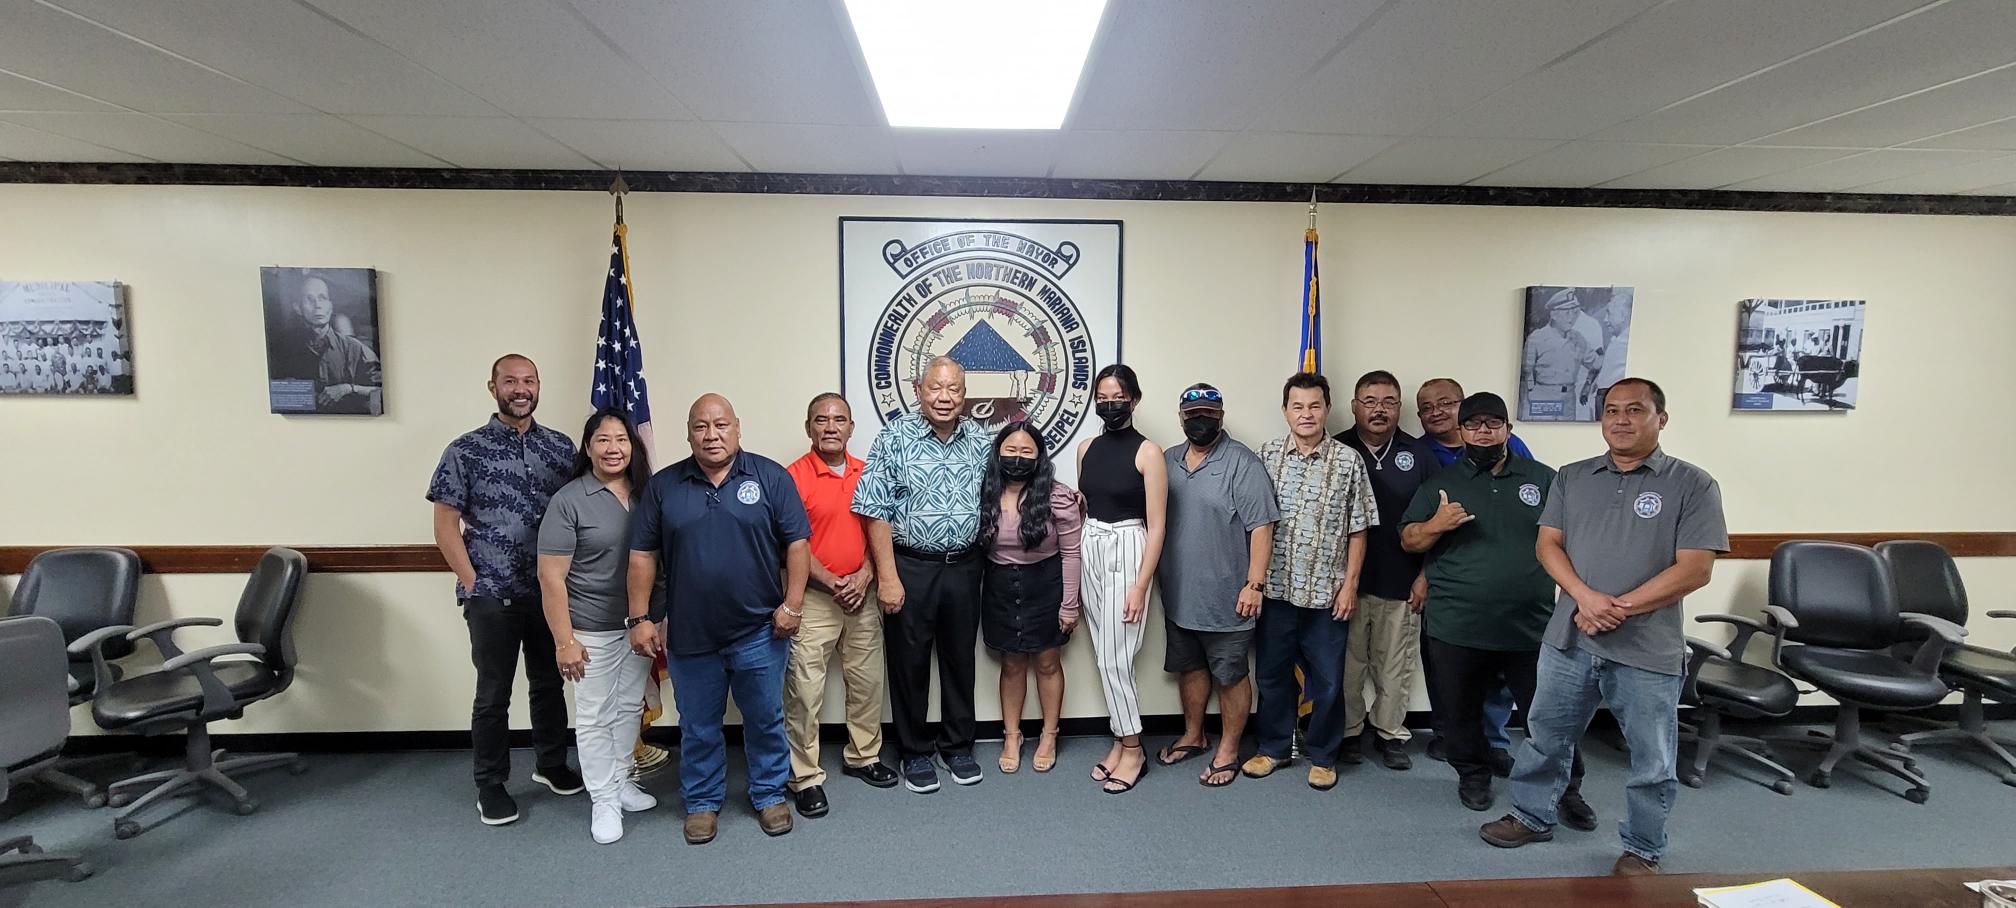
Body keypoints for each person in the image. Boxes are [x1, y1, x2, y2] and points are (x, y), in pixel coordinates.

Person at [1482, 378, 1727, 877]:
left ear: (1661, 418)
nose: (1621, 420)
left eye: (1635, 410)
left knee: (1651, 758)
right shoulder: (1572, 477)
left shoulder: (1693, 484)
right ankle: (1531, 814)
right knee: (1546, 735)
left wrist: (1621, 607)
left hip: (1647, 647)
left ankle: (1643, 847)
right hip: (1569, 636)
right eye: (1612, 410)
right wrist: (1586, 597)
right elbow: (1548, 544)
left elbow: (1696, 568)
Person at [626, 394, 811, 845]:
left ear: (738, 428)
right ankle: (703, 803)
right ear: (689, 433)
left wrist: (791, 606)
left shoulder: (770, 477)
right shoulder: (665, 486)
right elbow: (642, 555)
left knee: (765, 718)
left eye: (721, 425)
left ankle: (769, 794)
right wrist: (639, 617)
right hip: (691, 635)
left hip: (760, 632)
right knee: (698, 726)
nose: (712, 435)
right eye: (701, 426)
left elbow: (798, 545)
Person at [1401, 392, 1590, 823]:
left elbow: (1573, 541)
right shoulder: (1441, 485)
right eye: (1473, 425)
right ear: (1461, 430)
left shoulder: (1545, 480)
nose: (1483, 431)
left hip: (1531, 625)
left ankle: (1566, 789)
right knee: (1459, 710)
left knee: (1549, 713)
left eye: (1493, 423)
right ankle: (1472, 774)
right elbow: (1409, 539)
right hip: (1456, 622)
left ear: (1508, 428)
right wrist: (1436, 525)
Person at [426, 354, 584, 827]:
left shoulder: (560, 447)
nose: (521, 388)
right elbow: (445, 524)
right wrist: (473, 581)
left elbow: (580, 509)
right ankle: (490, 784)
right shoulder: (465, 450)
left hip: (549, 592)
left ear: (539, 387)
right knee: (493, 694)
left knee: (549, 682)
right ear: (492, 387)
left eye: (529, 380)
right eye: (510, 381)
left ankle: (551, 763)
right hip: (492, 594)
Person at [851, 356, 994, 793]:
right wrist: (888, 578)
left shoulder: (981, 440)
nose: (945, 397)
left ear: (964, 395)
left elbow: (1010, 490)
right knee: (909, 664)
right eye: (936, 388)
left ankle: (957, 747)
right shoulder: (894, 438)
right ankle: (914, 752)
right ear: (918, 390)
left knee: (959, 660)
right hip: (910, 566)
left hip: (965, 566)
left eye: (954, 389)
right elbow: (875, 512)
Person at [1242, 372, 1374, 791]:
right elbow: (1253, 522)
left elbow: (1358, 529)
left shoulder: (1348, 460)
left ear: (1327, 409)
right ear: (1285, 411)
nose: (1306, 414)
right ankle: (1274, 748)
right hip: (1277, 590)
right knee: (1271, 675)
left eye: (1314, 405)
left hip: (1327, 593)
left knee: (1331, 680)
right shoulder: (1265, 456)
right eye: (1297, 406)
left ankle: (1323, 755)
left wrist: (1351, 585)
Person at [535, 408, 660, 844]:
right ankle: (603, 799)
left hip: (639, 626)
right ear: (588, 448)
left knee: (629, 708)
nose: (613, 448)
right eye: (603, 440)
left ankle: (623, 781)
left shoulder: (649, 494)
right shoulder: (568, 500)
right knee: (593, 716)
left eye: (621, 440)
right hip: (589, 629)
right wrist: (564, 641)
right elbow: (551, 577)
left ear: (633, 446)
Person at [1155, 383, 1279, 787]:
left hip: (1230, 597)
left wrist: (1254, 584)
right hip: (1178, 595)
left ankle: (1228, 749)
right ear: (1181, 418)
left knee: (1230, 674)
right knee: (1189, 669)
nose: (1201, 422)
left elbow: (1262, 526)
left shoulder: (1243, 462)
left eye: (1209, 414)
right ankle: (1194, 735)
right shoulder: (1168, 460)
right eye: (1193, 416)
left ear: (1222, 416)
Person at [782, 393, 898, 820]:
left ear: (851, 428)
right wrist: (832, 581)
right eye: (821, 420)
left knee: (867, 682)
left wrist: (867, 574)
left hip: (862, 595)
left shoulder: (868, 474)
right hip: (814, 598)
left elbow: (879, 532)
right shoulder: (792, 477)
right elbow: (790, 543)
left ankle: (863, 755)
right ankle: (805, 777)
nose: (830, 427)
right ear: (809, 427)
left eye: (839, 420)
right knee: (804, 691)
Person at [1414, 376, 1525, 768]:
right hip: (1448, 585)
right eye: (1426, 408)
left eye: (1445, 403)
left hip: (1511, 592)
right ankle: (1453, 739)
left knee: (1499, 674)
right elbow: (1418, 528)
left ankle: (1494, 741)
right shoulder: (1423, 456)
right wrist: (1425, 575)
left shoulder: (1517, 453)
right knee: (1451, 671)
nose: (1436, 412)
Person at [1335, 370, 1439, 770]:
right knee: (1346, 668)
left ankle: (1390, 733)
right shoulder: (1338, 449)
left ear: (1399, 407)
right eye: (1370, 401)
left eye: (1388, 402)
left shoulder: (1420, 455)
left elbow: (1437, 523)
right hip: (1345, 584)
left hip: (1403, 581)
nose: (1379, 410)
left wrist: (1425, 576)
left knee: (1394, 668)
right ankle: (1347, 732)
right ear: (1355, 406)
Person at [1074, 364, 1166, 794]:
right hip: (1092, 543)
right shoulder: (1086, 447)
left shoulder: (1149, 452)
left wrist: (1140, 584)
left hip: (1129, 547)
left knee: (1117, 657)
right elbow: (1085, 505)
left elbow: (1158, 525)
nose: (1109, 403)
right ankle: (1118, 739)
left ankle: (1134, 748)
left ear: (1134, 399)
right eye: (1102, 396)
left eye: (1118, 396)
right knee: (1103, 653)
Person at [981, 420, 1083, 775]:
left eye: (1027, 451)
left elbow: (1072, 554)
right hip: (999, 586)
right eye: (1011, 450)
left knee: (1047, 664)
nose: (1018, 458)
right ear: (998, 453)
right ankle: (1012, 736)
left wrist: (1070, 605)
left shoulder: (1057, 497)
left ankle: (1049, 735)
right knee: (1011, 665)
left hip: (1046, 584)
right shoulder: (985, 491)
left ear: (1039, 457)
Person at [283, 273, 382, 415]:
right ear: (298, 307)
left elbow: (383, 391)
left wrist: (348, 388)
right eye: (309, 299)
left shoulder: (354, 348)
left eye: (322, 298)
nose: (317, 305)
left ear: (331, 306)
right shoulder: (285, 351)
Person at [1522, 290, 1600, 422]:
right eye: (1567, 312)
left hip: (1568, 400)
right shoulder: (1537, 338)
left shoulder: (1578, 339)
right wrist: (1532, 393)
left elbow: (1596, 364)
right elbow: (1526, 370)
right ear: (1554, 315)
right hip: (1543, 398)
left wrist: (1587, 385)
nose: (1572, 318)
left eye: (1574, 312)